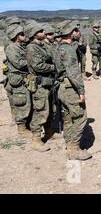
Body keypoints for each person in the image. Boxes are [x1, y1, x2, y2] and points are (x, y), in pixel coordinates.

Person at [54, 20, 92, 161]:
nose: (78, 32)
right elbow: (74, 73)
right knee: (81, 117)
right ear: (70, 32)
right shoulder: (68, 50)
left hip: (62, 88)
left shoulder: (59, 47)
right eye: (76, 30)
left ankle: (69, 145)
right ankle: (74, 149)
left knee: (68, 118)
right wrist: (81, 91)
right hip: (70, 89)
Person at [26, 22, 56, 152]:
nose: (44, 33)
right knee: (40, 111)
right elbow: (38, 66)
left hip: (47, 82)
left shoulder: (41, 46)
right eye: (41, 31)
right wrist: (53, 67)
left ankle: (49, 132)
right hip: (40, 84)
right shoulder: (32, 48)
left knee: (49, 109)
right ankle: (36, 139)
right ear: (34, 34)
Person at [4, 24, 31, 137]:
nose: (24, 35)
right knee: (21, 103)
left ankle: (26, 125)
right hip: (17, 80)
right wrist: (32, 61)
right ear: (15, 35)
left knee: (27, 102)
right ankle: (21, 128)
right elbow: (18, 64)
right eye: (21, 34)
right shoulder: (12, 48)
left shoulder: (22, 46)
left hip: (24, 79)